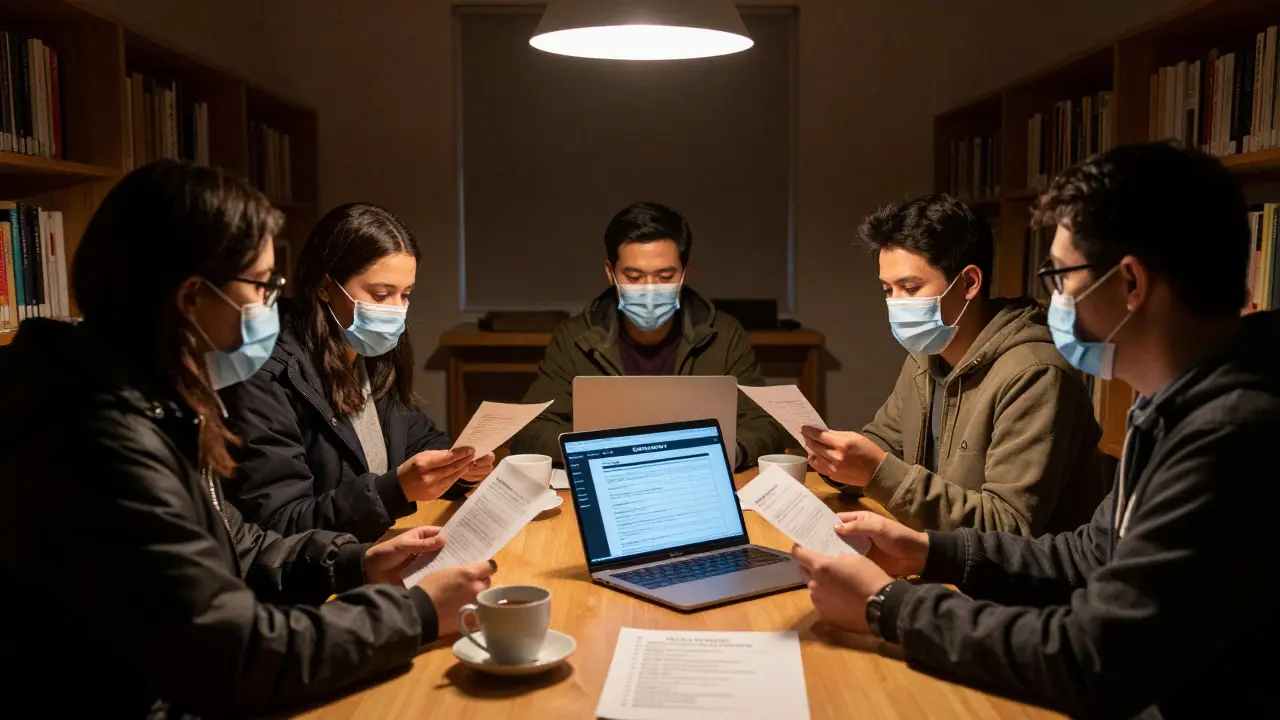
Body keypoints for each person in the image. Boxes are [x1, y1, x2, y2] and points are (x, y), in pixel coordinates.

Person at [793, 143, 1280, 718]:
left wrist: (885, 607)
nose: (1052, 300)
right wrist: (929, 551)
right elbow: (1088, 556)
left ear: (1130, 284)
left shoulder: (1233, 434)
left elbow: (1092, 657)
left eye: (1060, 276)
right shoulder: (1172, 406)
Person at [0, 161, 495, 717]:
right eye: (262, 286)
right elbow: (233, 652)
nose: (272, 306)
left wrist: (361, 562)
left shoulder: (158, 399)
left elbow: (240, 548)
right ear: (191, 298)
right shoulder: (96, 438)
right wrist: (418, 614)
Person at [803, 194, 1106, 534]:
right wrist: (837, 464)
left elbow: (1007, 528)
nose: (896, 305)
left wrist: (876, 472)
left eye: (911, 287)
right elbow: (886, 441)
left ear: (969, 283)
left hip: (1010, 582)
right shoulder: (927, 353)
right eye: (888, 289)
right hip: (937, 555)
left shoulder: (1035, 374)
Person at [220, 203, 493, 541]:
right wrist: (394, 492)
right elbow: (280, 523)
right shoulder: (269, 374)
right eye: (381, 294)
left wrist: (462, 468)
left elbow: (419, 441)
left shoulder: (371, 354)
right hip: (324, 576)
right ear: (325, 286)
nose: (396, 311)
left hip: (373, 549)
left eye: (405, 294)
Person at [510, 201, 789, 469]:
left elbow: (767, 425)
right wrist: (594, 450)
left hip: (697, 476)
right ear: (610, 273)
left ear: (684, 273)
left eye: (665, 276)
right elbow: (529, 432)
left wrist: (728, 451)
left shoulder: (724, 335)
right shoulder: (574, 338)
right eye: (634, 277)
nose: (650, 288)